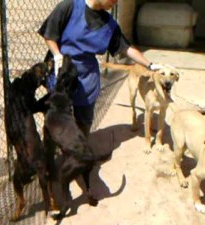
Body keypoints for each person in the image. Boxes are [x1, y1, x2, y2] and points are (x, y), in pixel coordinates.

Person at [38, 0, 162, 137]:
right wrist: (56, 55)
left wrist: (149, 65)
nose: (115, 3)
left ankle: (80, 149)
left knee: (84, 119)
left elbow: (126, 48)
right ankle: (53, 150)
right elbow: (50, 32)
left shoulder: (109, 24)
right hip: (61, 70)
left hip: (86, 74)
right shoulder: (70, 6)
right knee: (55, 116)